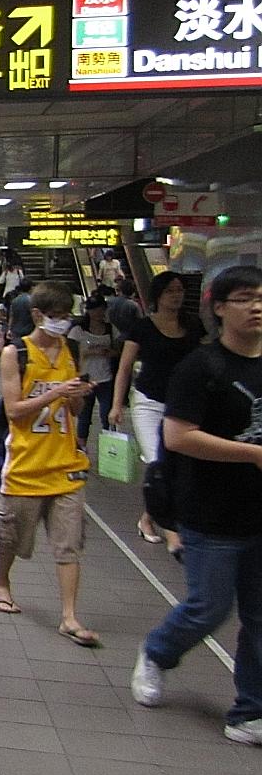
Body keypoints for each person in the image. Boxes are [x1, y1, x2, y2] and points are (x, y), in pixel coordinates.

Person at [131, 265, 262, 746]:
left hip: (259, 512)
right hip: (210, 511)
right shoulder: (200, 368)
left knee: (261, 615)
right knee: (209, 606)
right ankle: (158, 651)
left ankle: (250, 711)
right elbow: (178, 436)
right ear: (219, 307)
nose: (257, 307)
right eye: (245, 298)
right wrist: (252, 454)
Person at [0, 282, 100, 645]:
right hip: (25, 465)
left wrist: (77, 397)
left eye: (68, 317)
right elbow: (14, 411)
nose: (64, 324)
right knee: (13, 537)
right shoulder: (14, 354)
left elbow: (76, 410)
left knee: (69, 544)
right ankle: (1, 582)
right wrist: (56, 392)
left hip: (66, 464)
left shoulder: (72, 351)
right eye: (57, 317)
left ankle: (69, 616)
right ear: (37, 316)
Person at [110, 272, 203, 553]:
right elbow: (125, 368)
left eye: (180, 290)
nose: (177, 295)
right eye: (170, 290)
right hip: (148, 402)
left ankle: (148, 517)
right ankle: (170, 531)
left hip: (183, 404)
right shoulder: (142, 327)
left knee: (177, 465)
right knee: (158, 462)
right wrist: (116, 405)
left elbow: (203, 362)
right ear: (157, 295)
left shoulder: (192, 325)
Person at [69, 294, 117, 451]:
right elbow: (71, 353)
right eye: (95, 310)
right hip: (85, 377)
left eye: (101, 310)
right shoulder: (78, 330)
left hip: (105, 377)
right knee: (84, 415)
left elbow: (118, 350)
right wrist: (88, 352)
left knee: (107, 413)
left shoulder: (110, 329)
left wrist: (110, 352)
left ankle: (110, 448)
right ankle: (81, 448)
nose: (98, 313)